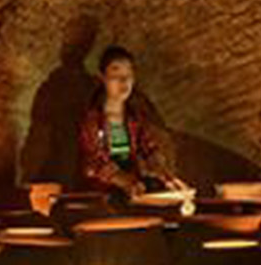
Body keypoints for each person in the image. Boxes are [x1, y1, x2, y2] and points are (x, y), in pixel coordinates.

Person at [76, 46, 189, 196]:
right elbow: (93, 164)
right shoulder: (92, 119)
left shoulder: (135, 117)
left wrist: (167, 177)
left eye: (128, 74)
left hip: (132, 190)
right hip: (101, 193)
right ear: (103, 78)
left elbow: (150, 150)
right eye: (116, 74)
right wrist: (123, 180)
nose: (124, 81)